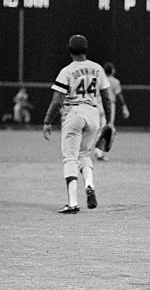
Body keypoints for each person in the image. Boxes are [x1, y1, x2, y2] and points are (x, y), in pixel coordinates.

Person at [42, 35, 113, 214]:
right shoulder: (97, 68)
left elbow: (57, 100)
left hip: (74, 113)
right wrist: (109, 121)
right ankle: (89, 184)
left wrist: (47, 121)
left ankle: (72, 203)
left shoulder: (67, 71)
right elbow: (106, 97)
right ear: (86, 49)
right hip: (93, 114)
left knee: (70, 158)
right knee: (84, 154)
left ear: (69, 50)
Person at [94, 62, 130, 161]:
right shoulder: (115, 81)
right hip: (109, 105)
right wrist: (124, 107)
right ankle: (100, 152)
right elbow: (119, 95)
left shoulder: (99, 80)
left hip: (97, 104)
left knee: (99, 128)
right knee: (107, 129)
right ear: (112, 70)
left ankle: (98, 151)